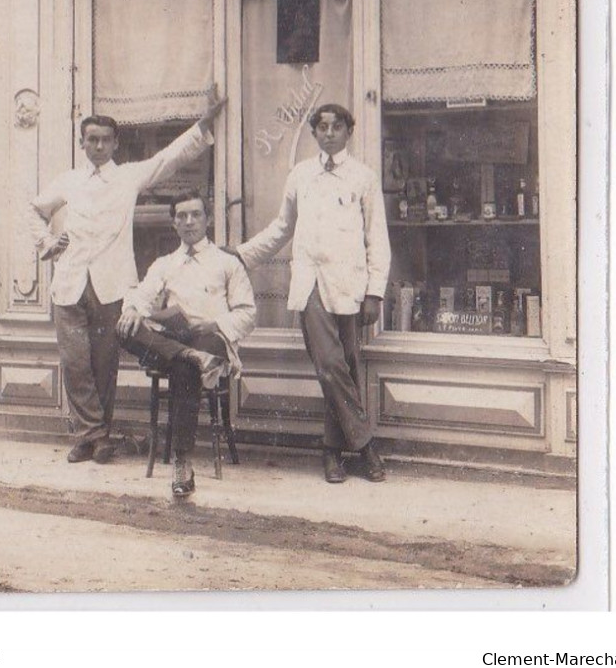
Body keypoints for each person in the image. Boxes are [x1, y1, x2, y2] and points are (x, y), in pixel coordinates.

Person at [29, 91, 224, 465]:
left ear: (116, 143)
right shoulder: (68, 181)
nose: (99, 146)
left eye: (105, 140)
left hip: (111, 284)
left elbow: (168, 158)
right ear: (82, 142)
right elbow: (34, 210)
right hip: (69, 282)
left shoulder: (128, 177)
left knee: (104, 363)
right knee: (75, 363)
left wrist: (202, 125)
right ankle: (94, 435)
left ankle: (95, 438)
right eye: (92, 139)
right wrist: (48, 243)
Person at [236, 103, 391, 484]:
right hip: (311, 285)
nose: (329, 133)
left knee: (348, 368)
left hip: (351, 286)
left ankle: (332, 451)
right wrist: (241, 254)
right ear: (313, 133)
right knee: (330, 365)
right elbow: (281, 228)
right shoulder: (301, 175)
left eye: (337, 126)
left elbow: (377, 238)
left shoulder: (363, 178)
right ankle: (367, 446)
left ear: (348, 131)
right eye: (322, 127)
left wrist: (375, 292)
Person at [117, 190, 256, 498]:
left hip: (211, 338)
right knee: (123, 328)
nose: (189, 221)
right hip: (177, 340)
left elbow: (248, 314)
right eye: (181, 216)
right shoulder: (165, 263)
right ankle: (191, 356)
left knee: (183, 367)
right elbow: (141, 296)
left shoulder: (226, 263)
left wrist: (216, 324)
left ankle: (183, 460)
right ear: (173, 224)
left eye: (195, 214)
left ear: (207, 219)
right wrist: (131, 309)